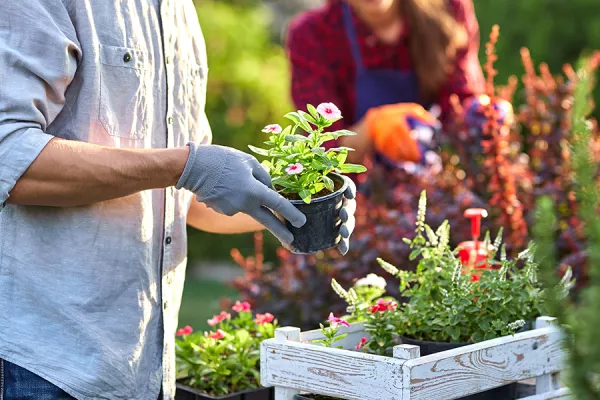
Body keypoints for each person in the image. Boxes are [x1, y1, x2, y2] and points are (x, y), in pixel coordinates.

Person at [0, 1, 357, 399]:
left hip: (145, 369)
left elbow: (185, 196)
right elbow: (10, 155)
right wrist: (185, 166)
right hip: (45, 366)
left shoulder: (177, 10)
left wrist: (293, 207)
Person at [286, 0, 486, 168]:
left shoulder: (449, 9)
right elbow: (324, 150)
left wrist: (484, 116)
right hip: (362, 197)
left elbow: (462, 104)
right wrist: (372, 128)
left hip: (438, 176)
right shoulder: (312, 36)